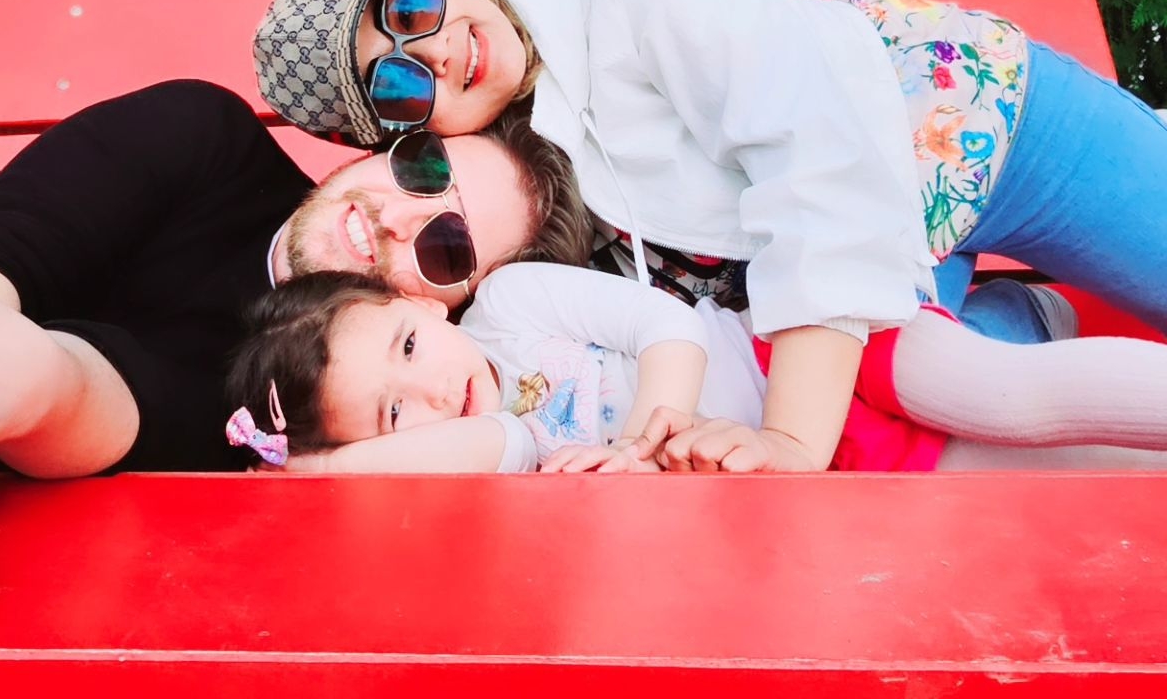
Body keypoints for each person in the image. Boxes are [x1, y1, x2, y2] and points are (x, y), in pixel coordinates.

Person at [0, 83, 589, 699]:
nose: (397, 215)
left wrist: (18, 394)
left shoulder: (284, 420)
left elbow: (82, 394)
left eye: (446, 247)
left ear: (448, 312)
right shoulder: (207, 135)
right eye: (423, 170)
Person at [253, 0, 1167, 475]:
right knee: (976, 423)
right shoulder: (508, 209)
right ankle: (1026, 313)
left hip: (975, 127)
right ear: (405, 134)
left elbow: (817, 158)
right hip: (883, 291)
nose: (439, 50)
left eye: (410, 8)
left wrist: (793, 442)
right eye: (400, 86)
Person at [226, 262, 1167, 477]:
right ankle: (1031, 323)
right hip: (821, 471)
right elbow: (489, 439)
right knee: (1055, 479)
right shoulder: (506, 461)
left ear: (421, 303)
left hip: (805, 352)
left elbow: (662, 324)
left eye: (406, 348)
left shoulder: (510, 304)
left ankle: (1028, 323)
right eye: (394, 417)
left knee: (1008, 398)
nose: (432, 389)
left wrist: (646, 437)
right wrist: (317, 469)